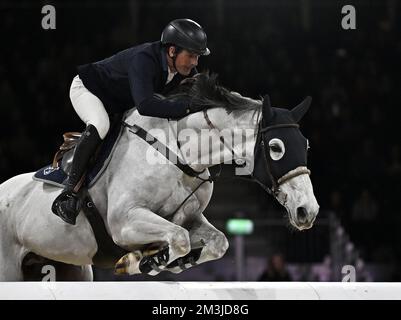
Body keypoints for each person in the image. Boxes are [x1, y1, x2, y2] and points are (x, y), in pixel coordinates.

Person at [51, 18, 210, 225]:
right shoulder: (145, 59)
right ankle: (68, 193)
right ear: (172, 51)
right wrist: (188, 107)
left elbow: (200, 94)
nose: (195, 63)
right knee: (100, 125)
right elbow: (145, 106)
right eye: (191, 56)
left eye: (197, 57)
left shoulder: (183, 70)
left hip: (119, 103)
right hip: (89, 91)